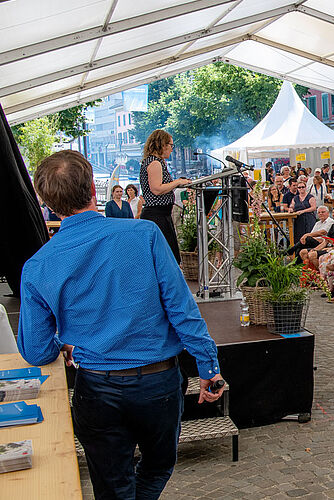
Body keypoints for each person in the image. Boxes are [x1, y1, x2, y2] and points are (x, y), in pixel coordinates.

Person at [19, 150, 224, 499]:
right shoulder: (144, 234)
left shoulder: (38, 266)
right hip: (158, 383)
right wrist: (209, 367)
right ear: (93, 191)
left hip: (97, 388)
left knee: (112, 486)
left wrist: (65, 344)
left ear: (48, 202)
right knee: (158, 467)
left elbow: (37, 351)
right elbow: (182, 309)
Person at [140, 130, 191, 263]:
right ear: (162, 144)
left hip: (161, 214)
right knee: (164, 258)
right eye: (171, 145)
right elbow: (156, 189)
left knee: (166, 256)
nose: (171, 149)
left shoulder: (156, 162)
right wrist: (177, 182)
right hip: (157, 215)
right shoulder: (155, 163)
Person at [289, 179, 318, 244]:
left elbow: (313, 208)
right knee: (299, 236)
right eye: (299, 187)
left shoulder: (310, 197)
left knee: (309, 236)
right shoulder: (295, 198)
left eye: (302, 187)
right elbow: (292, 206)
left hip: (309, 218)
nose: (301, 188)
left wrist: (303, 211)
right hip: (299, 220)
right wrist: (290, 209)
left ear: (305, 188)